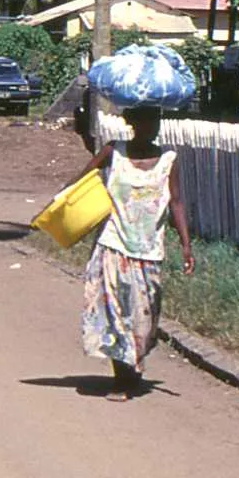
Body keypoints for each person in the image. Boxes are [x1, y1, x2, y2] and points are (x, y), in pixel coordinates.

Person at [74, 104, 194, 400]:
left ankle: (134, 363)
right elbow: (81, 180)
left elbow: (176, 201)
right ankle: (123, 379)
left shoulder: (168, 159)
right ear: (132, 123)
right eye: (146, 120)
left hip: (148, 250)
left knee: (143, 317)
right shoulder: (113, 151)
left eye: (156, 120)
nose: (152, 126)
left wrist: (186, 245)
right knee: (115, 314)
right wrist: (55, 209)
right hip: (112, 245)